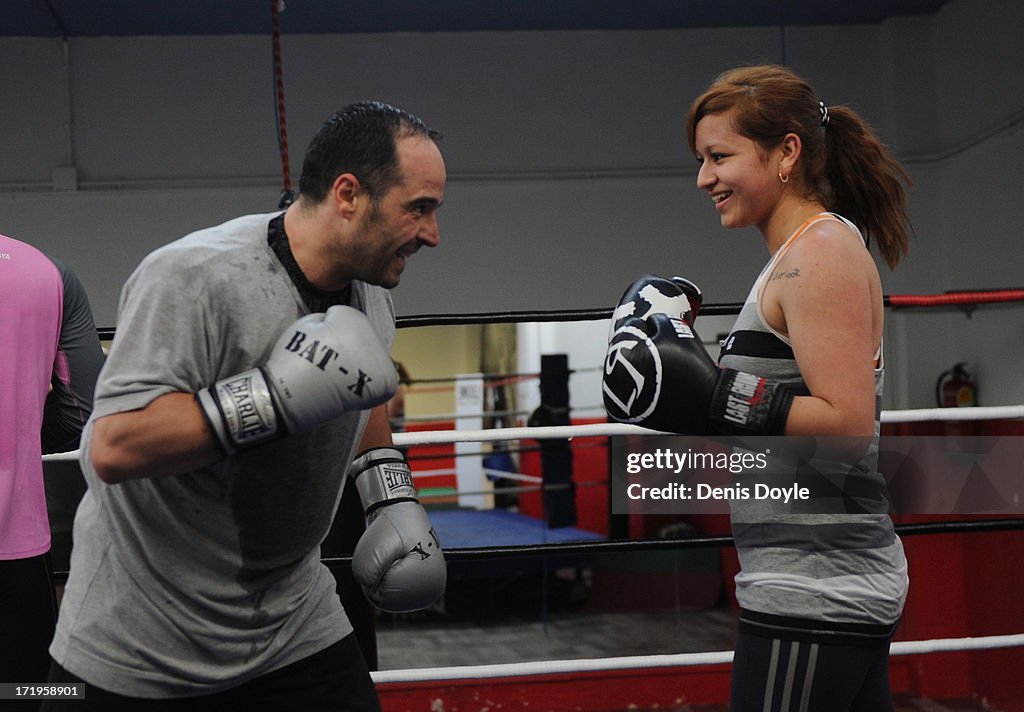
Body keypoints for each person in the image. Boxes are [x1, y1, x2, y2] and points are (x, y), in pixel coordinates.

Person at [44, 101, 448, 710]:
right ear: (348, 194)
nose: (432, 233)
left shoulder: (371, 289)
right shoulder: (193, 278)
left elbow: (358, 386)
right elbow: (115, 445)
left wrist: (392, 497)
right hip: (144, 639)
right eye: (418, 208)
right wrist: (274, 396)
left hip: (293, 619)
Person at [603, 64, 912, 710]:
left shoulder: (817, 256)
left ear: (787, 154)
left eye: (720, 156)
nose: (703, 178)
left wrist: (715, 393)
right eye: (701, 159)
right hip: (822, 583)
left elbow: (847, 427)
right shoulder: (795, 258)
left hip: (816, 592)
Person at [1, 234, 64, 708]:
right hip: (21, 544)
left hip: (24, 541)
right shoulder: (40, 267)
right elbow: (67, 401)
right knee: (33, 694)